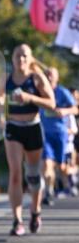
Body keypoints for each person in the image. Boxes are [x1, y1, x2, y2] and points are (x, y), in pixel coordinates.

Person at [0, 44, 54, 235]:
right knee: (15, 173)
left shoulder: (36, 77)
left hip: (33, 126)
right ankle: (17, 220)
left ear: (30, 59)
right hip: (13, 127)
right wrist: (0, 109)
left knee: (32, 174)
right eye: (17, 56)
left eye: (24, 56)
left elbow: (51, 103)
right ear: (12, 59)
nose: (21, 60)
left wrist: (30, 98)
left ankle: (35, 211)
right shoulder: (6, 79)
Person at [41, 67, 78, 204]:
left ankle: (71, 177)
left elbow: (75, 109)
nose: (49, 77)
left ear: (57, 78)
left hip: (61, 134)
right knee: (46, 163)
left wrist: (64, 111)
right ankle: (48, 192)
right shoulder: (40, 91)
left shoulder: (62, 92)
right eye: (47, 74)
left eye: (51, 75)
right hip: (45, 133)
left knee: (61, 166)